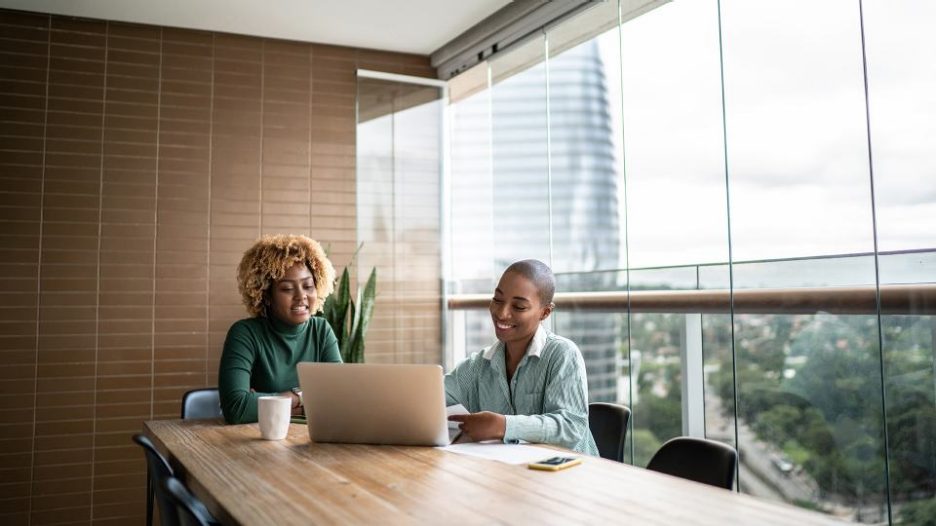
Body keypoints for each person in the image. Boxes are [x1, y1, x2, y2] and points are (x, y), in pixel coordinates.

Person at [445, 259, 598, 455]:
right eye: (498, 300)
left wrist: (503, 425)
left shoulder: (563, 354)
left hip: (570, 474)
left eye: (518, 307)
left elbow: (571, 427)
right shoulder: (478, 366)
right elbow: (431, 396)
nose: (502, 313)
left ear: (545, 312)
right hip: (514, 474)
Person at [219, 234, 341, 424]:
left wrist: (269, 401)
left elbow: (340, 397)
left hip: (312, 440)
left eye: (308, 286)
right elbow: (237, 408)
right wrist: (303, 399)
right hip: (260, 443)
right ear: (266, 294)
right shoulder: (245, 334)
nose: (301, 296)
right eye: (287, 289)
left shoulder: (321, 331)